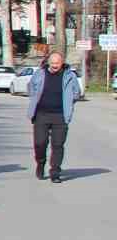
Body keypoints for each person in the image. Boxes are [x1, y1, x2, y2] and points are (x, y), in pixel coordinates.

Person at [27, 51, 82, 183]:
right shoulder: (40, 73)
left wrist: (68, 103)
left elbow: (76, 92)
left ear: (62, 63)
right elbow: (31, 87)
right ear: (48, 62)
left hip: (60, 115)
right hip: (41, 114)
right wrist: (35, 99)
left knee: (58, 145)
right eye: (52, 63)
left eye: (57, 63)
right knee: (40, 143)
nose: (55, 66)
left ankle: (55, 172)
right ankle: (40, 163)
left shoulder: (69, 75)